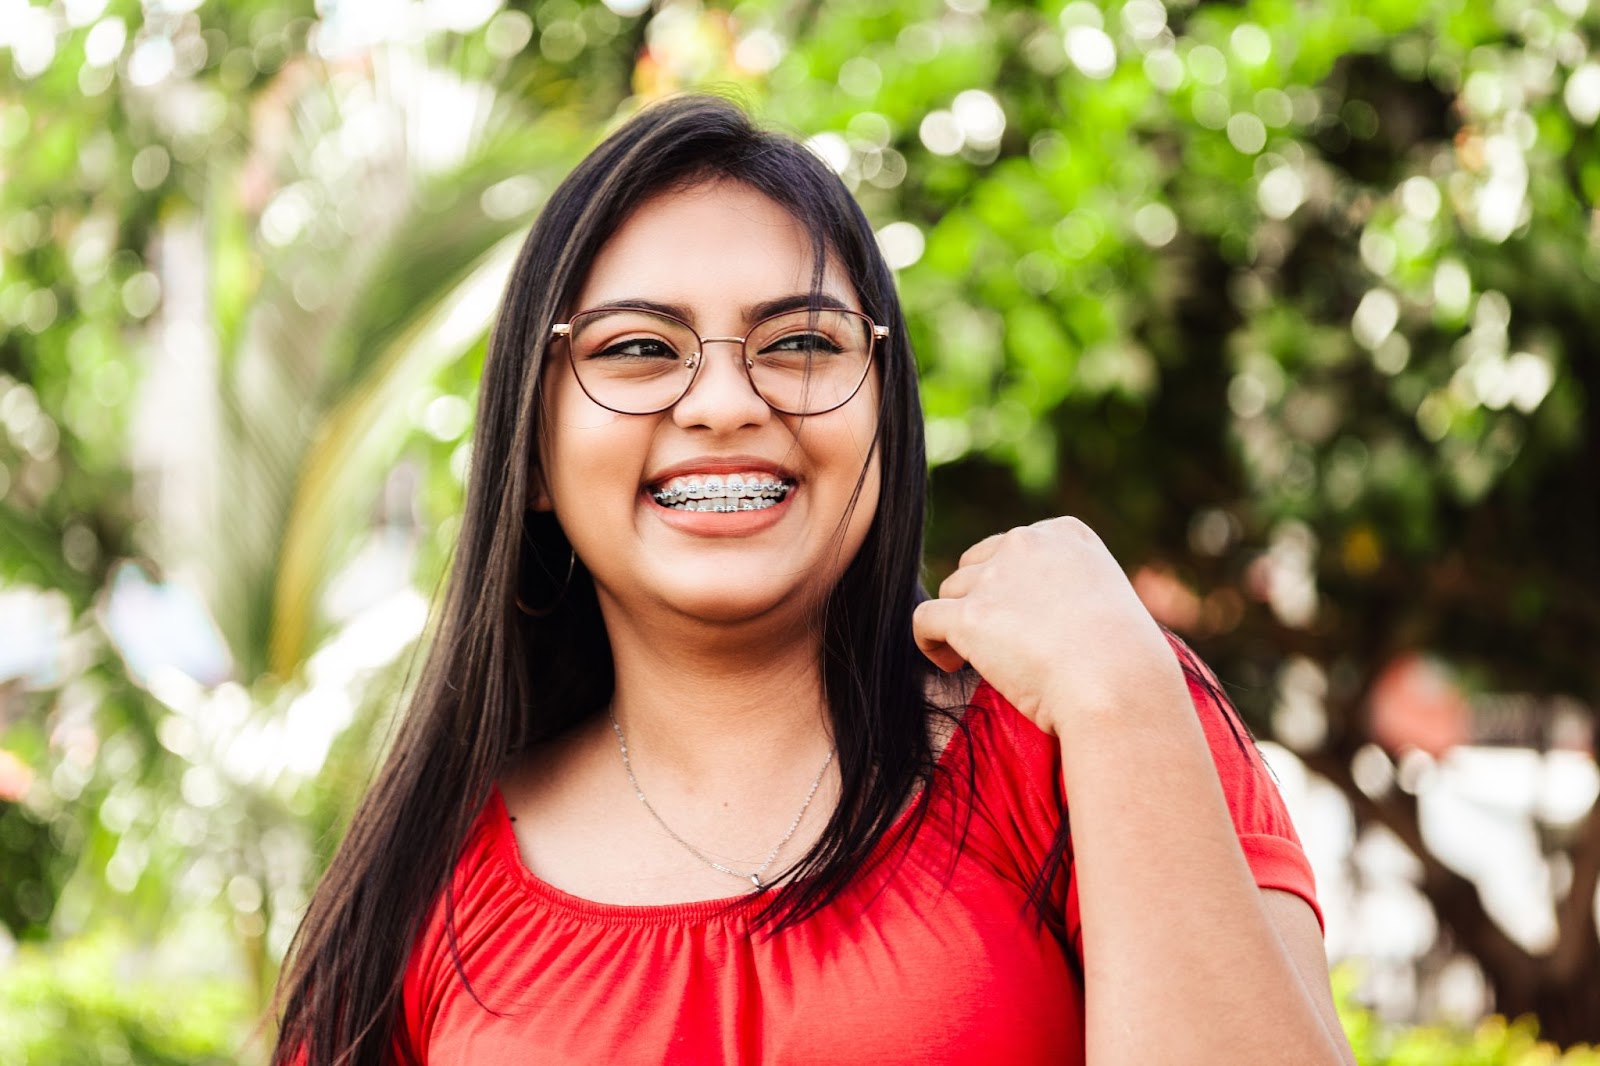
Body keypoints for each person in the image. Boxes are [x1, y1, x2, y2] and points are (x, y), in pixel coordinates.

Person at [271, 94, 1356, 1066]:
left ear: (885, 412)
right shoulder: (424, 891)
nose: (725, 403)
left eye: (798, 342)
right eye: (639, 351)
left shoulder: (1075, 728)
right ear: (534, 451)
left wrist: (1122, 701)